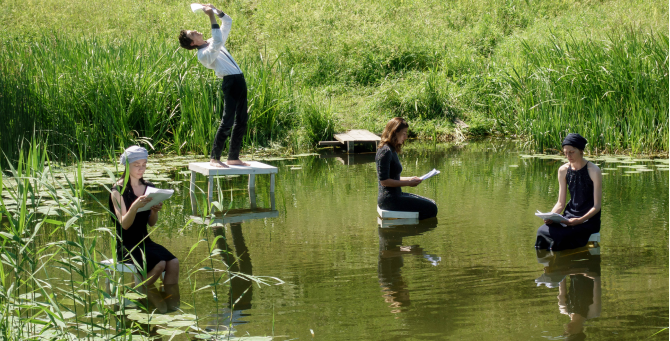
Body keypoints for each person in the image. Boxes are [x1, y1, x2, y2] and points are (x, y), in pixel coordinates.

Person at [178, 4, 249, 168]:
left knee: (242, 119)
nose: (196, 31)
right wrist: (210, 17)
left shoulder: (211, 42)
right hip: (230, 83)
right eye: (192, 33)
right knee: (227, 120)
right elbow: (217, 41)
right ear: (193, 43)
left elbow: (228, 22)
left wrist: (216, 10)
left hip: (239, 79)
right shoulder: (203, 54)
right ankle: (214, 158)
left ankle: (233, 157)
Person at [108, 146, 179, 288]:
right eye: (137, 165)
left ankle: (169, 299)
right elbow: (124, 224)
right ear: (127, 166)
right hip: (126, 245)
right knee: (159, 264)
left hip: (145, 241)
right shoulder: (118, 190)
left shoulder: (149, 187)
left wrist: (154, 211)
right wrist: (134, 206)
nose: (141, 169)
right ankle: (138, 294)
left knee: (173, 262)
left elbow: (151, 223)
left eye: (144, 165)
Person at [535, 133, 602, 251]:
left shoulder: (594, 171)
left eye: (571, 152)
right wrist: (551, 216)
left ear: (581, 150)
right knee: (542, 230)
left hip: (588, 220)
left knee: (560, 235)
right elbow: (560, 203)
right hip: (568, 217)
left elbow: (597, 206)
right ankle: (549, 266)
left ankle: (562, 267)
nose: (568, 156)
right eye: (565, 152)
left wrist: (579, 221)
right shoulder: (563, 170)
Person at [375, 117, 438, 220]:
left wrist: (410, 178)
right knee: (431, 208)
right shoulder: (385, 151)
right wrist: (408, 183)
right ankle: (408, 229)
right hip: (389, 200)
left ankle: (408, 229)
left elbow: (393, 177)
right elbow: (384, 181)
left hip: (396, 195)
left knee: (432, 203)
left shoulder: (391, 149)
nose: (406, 137)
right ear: (395, 132)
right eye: (404, 133)